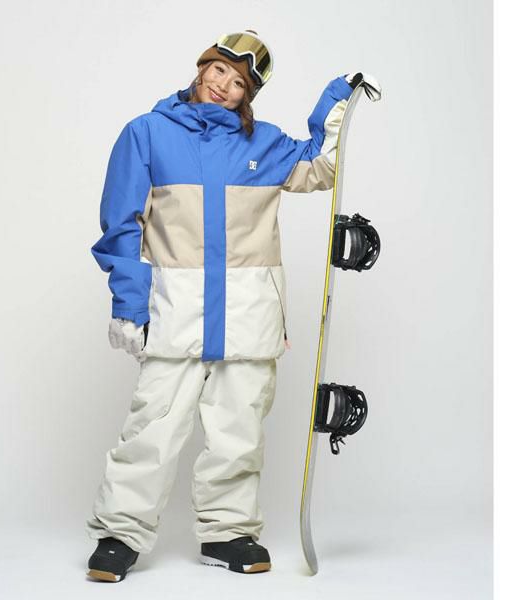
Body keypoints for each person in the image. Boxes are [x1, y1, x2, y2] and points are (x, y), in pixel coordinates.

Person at [85, 30, 370, 582]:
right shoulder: (147, 134)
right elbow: (121, 224)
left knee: (238, 431)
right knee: (152, 430)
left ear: (248, 95)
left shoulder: (264, 144)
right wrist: (128, 304)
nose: (224, 86)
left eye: (239, 83)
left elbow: (322, 166)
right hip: (176, 312)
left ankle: (227, 533)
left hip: (248, 315)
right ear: (202, 68)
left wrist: (339, 97)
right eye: (219, 71)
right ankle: (120, 534)